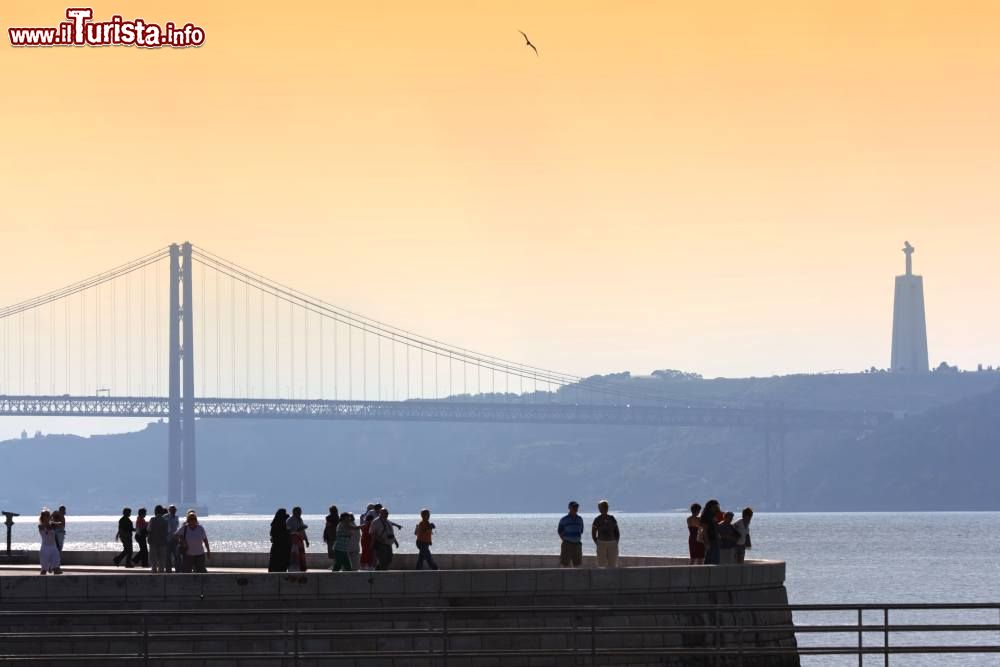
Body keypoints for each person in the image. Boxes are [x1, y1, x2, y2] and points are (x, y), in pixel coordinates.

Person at [591, 500, 620, 568]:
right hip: (601, 543)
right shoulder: (597, 519)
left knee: (613, 565)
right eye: (602, 507)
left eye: (605, 507)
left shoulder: (612, 518)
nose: (604, 508)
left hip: (612, 543)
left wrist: (616, 542)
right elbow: (593, 533)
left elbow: (617, 532)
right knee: (601, 565)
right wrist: (598, 543)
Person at [557, 501, 584, 568]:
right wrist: (565, 540)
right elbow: (560, 531)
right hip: (567, 544)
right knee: (565, 564)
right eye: (574, 507)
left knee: (578, 565)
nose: (576, 508)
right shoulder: (564, 519)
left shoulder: (580, 519)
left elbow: (581, 531)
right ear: (569, 508)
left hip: (577, 544)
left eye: (577, 507)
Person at [38, 509, 62, 575]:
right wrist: (51, 519)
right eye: (46, 515)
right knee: (44, 570)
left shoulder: (52, 525)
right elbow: (45, 526)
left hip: (54, 548)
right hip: (45, 548)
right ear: (43, 517)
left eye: (48, 515)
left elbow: (60, 524)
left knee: (56, 568)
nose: (48, 517)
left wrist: (57, 516)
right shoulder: (40, 526)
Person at [286, 507, 310, 572]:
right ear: (294, 512)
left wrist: (306, 540)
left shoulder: (300, 519)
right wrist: (297, 530)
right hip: (293, 541)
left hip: (300, 541)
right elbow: (288, 531)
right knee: (294, 556)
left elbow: (303, 531)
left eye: (300, 512)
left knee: (301, 555)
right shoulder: (290, 520)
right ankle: (293, 568)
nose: (300, 513)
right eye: (298, 512)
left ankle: (302, 568)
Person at [147, 505, 169, 573]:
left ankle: (154, 573)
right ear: (162, 512)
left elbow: (148, 529)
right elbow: (168, 532)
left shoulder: (152, 519)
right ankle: (161, 573)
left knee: (153, 560)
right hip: (163, 542)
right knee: (161, 560)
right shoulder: (165, 521)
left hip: (153, 542)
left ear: (155, 511)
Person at [699, 499, 721, 565]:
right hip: (710, 540)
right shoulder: (706, 516)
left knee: (715, 558)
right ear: (710, 507)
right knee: (710, 558)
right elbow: (704, 531)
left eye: (717, 506)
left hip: (715, 539)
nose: (716, 508)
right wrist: (707, 542)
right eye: (715, 507)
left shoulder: (713, 516)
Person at [359, 504, 376, 570]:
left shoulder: (366, 518)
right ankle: (366, 565)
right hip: (366, 538)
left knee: (368, 552)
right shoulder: (365, 517)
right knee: (367, 552)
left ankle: (367, 565)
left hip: (366, 537)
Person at [165, 505, 180, 573]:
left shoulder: (177, 517)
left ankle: (178, 569)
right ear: (169, 510)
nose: (173, 511)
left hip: (175, 539)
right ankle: (168, 570)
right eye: (172, 509)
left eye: (174, 510)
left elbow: (177, 527)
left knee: (176, 555)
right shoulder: (165, 517)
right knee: (168, 555)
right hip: (167, 539)